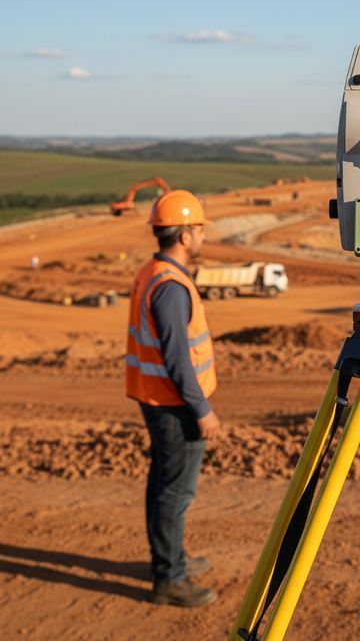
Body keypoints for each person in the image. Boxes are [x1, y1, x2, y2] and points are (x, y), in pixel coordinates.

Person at [126, 190, 221, 607]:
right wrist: (202, 410)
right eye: (199, 228)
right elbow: (177, 358)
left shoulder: (153, 272)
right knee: (175, 492)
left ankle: (169, 558)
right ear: (184, 235)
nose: (202, 235)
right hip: (174, 405)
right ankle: (169, 577)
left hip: (157, 397)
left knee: (163, 484)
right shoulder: (170, 286)